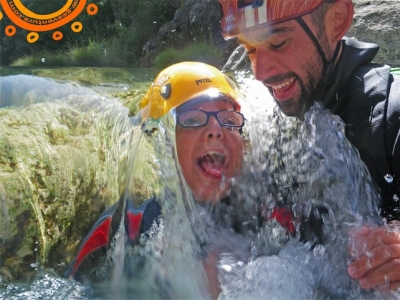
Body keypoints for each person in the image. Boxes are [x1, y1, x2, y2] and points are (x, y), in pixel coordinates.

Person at [218, 0, 400, 292]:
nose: (260, 72)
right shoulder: (266, 125)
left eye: (278, 43)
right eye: (249, 50)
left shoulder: (392, 118)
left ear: (336, 21)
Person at [65, 61, 246, 298]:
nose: (215, 129)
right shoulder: (127, 229)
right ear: (166, 143)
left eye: (229, 120)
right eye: (191, 120)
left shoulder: (268, 215)